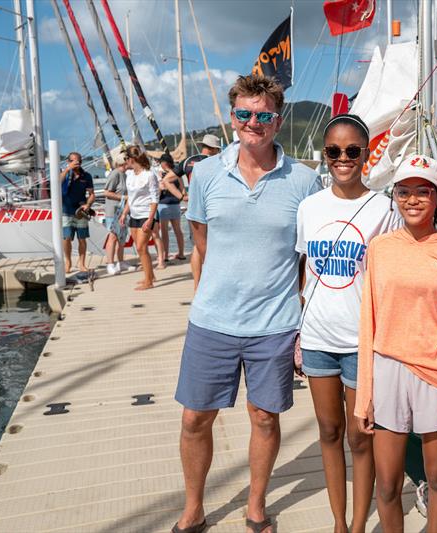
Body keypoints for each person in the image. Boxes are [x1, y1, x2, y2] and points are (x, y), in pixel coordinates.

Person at [173, 74, 322, 533]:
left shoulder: (304, 179)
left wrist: (300, 315)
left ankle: (256, 506)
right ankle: (193, 508)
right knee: (196, 418)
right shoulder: (206, 173)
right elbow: (202, 242)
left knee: (264, 417)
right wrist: (205, 296)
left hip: (275, 322)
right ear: (231, 117)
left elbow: (307, 253)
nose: (253, 123)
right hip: (212, 320)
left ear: (277, 120)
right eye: (244, 114)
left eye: (263, 115)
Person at [354, 154, 437, 533]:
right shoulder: (380, 248)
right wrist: (364, 396)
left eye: (422, 191)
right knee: (387, 483)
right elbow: (368, 324)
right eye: (403, 191)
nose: (412, 199)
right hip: (388, 371)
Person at [296, 114, 402, 533]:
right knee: (328, 431)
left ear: (365, 154)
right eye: (334, 151)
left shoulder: (384, 208)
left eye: (352, 151)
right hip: (318, 335)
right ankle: (338, 522)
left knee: (360, 437)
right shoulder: (309, 208)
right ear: (325, 156)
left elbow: (393, 272)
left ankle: (358, 525)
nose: (343, 159)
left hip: (362, 341)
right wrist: (297, 334)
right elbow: (303, 272)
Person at [161, 134, 222, 286]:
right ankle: (213, 280)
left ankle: (197, 284)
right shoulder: (217, 162)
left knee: (197, 244)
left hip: (194, 207)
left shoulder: (188, 161)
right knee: (216, 243)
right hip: (213, 205)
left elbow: (167, 180)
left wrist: (181, 196)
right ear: (214, 149)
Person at [118, 146, 158, 291]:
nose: (125, 162)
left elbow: (155, 199)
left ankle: (149, 282)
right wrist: (124, 213)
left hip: (145, 215)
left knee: (141, 247)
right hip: (133, 215)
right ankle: (150, 276)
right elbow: (131, 198)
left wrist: (150, 219)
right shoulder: (129, 175)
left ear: (132, 159)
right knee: (140, 248)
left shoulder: (149, 175)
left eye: (126, 159)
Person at [58, 151, 94, 273]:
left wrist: (88, 205)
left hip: (80, 210)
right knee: (66, 238)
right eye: (73, 160)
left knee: (82, 238)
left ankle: (82, 264)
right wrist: (68, 169)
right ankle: (68, 262)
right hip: (66, 210)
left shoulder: (87, 176)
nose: (76, 162)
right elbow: (57, 182)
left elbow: (91, 194)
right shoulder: (65, 174)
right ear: (68, 161)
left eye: (78, 160)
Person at [156, 153, 186, 261]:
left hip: (164, 205)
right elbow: (183, 190)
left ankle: (165, 255)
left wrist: (161, 187)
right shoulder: (177, 175)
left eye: (161, 163)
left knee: (164, 232)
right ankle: (181, 253)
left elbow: (158, 193)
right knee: (178, 230)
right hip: (176, 204)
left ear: (164, 163)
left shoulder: (162, 176)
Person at [103, 158, 130, 275]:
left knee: (122, 237)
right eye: (128, 160)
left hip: (123, 210)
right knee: (113, 236)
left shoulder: (125, 174)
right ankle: (110, 264)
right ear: (123, 162)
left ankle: (121, 262)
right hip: (113, 210)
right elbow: (106, 192)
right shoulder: (115, 174)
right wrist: (124, 198)